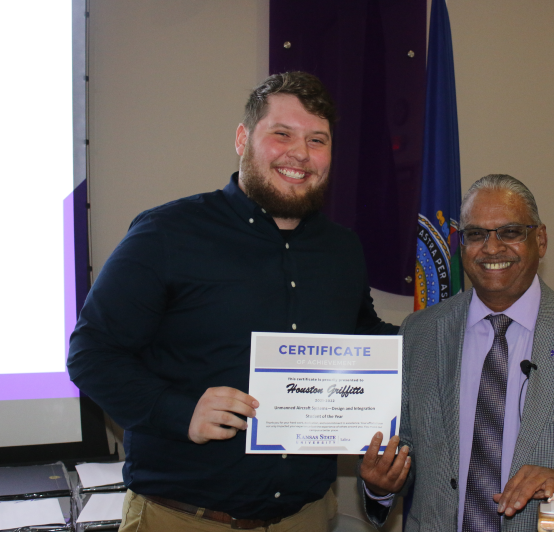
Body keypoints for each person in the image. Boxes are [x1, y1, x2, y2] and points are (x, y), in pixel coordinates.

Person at [68, 71, 398, 532]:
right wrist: (179, 411)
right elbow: (91, 355)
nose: (300, 153)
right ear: (243, 138)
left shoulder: (343, 249)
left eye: (317, 140)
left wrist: (450, 331)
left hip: (305, 518)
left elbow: (362, 336)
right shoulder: (166, 234)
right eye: (281, 134)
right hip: (180, 518)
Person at [358, 174, 554, 531]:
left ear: (541, 239)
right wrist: (381, 485)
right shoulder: (420, 332)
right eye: (476, 234)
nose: (491, 248)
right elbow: (406, 450)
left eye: (510, 232)